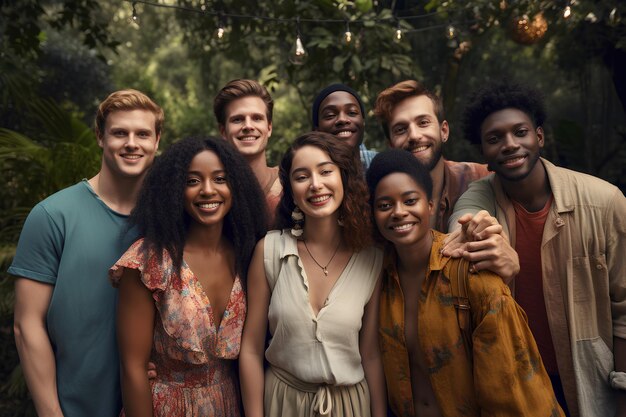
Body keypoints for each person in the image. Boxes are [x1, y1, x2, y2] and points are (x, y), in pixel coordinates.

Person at [449, 81, 626, 417]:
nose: (510, 145)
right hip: (516, 384)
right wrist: (483, 237)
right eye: (495, 138)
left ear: (539, 137)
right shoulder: (478, 195)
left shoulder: (605, 202)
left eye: (520, 132)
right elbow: (464, 221)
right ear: (483, 152)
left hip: (590, 383)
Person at [367, 148, 564, 417]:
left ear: (430, 205)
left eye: (410, 200)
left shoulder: (469, 268)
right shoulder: (378, 279)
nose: (399, 212)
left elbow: (512, 386)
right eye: (385, 205)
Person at [10, 89, 162, 417]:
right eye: (120, 133)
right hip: (72, 407)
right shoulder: (52, 215)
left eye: (143, 134)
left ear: (157, 140)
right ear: (99, 137)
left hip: (154, 406)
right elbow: (27, 324)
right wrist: (51, 412)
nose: (132, 143)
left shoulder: (169, 221)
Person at [110, 136, 267, 416]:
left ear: (236, 187)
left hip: (230, 404)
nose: (208, 190)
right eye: (192, 181)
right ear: (174, 191)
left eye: (220, 179)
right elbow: (133, 367)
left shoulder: (248, 254)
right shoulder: (149, 260)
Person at [239, 132, 387, 417]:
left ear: (343, 178)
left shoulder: (372, 258)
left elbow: (370, 354)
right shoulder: (268, 251)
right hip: (282, 403)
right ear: (291, 190)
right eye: (302, 176)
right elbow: (251, 350)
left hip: (351, 406)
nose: (316, 185)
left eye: (326, 171)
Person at [374, 80, 519, 281]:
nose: (414, 135)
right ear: (390, 144)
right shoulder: (380, 203)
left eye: (423, 122)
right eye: (401, 129)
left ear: (444, 131)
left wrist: (509, 257)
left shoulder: (482, 178)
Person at [214, 79, 282, 222]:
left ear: (269, 128)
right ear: (223, 131)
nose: (248, 126)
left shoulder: (291, 183)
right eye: (237, 120)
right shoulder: (213, 192)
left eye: (257, 118)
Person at [312, 83, 377, 170]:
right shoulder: (308, 174)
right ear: (317, 130)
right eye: (330, 115)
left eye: (352, 113)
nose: (342, 119)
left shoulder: (383, 166)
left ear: (363, 122)